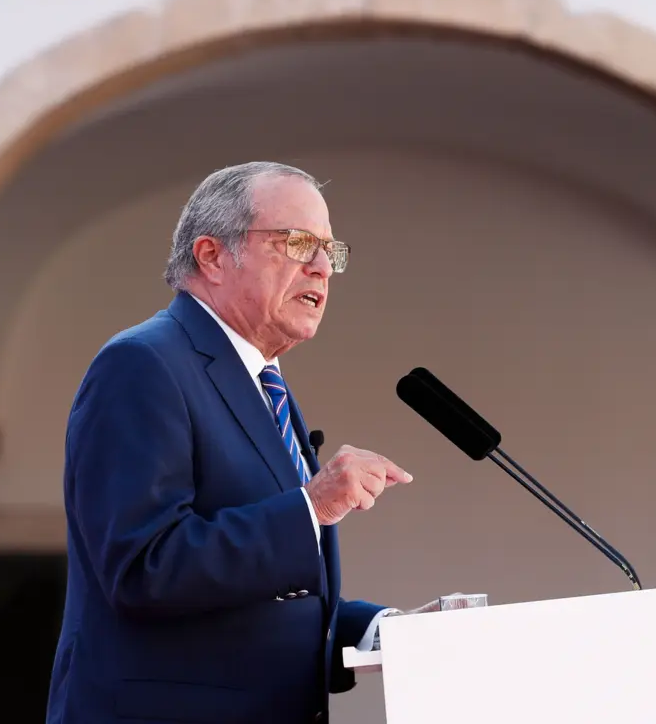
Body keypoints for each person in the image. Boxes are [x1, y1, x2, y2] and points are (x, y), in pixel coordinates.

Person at [45, 162, 421, 724]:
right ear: (213, 256)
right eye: (298, 243)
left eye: (330, 251)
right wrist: (312, 506)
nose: (322, 268)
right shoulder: (142, 365)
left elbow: (260, 600)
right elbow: (145, 568)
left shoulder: (263, 383)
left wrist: (383, 630)